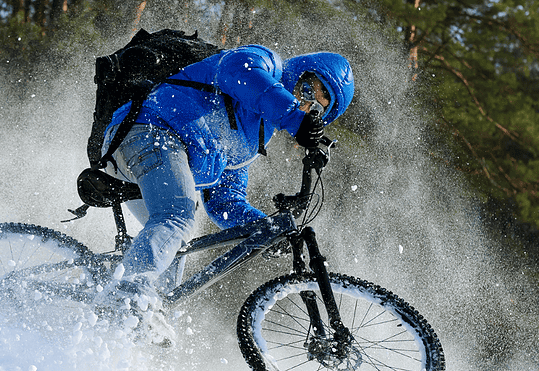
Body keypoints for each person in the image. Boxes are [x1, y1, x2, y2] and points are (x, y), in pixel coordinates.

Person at [96, 43, 355, 343]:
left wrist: (265, 229)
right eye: (309, 89)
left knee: (176, 244)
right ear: (301, 71)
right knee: (177, 216)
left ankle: (140, 320)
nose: (305, 102)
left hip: (152, 154)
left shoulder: (251, 138)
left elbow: (224, 202)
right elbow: (239, 74)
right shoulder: (262, 62)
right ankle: (127, 295)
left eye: (318, 107)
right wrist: (294, 117)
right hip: (147, 130)